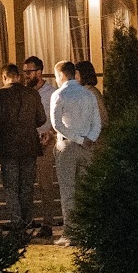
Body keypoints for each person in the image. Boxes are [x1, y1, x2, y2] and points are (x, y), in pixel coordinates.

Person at [0, 63, 48, 238]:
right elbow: (42, 119)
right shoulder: (32, 94)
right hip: (29, 146)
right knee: (27, 185)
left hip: (7, 147)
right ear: (18, 77)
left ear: (4, 77)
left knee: (11, 186)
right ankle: (27, 221)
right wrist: (28, 125)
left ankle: (17, 222)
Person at [48, 60, 104, 245]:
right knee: (86, 189)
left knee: (68, 190)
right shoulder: (88, 94)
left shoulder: (59, 94)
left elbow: (57, 124)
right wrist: (90, 138)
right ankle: (87, 229)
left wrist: (78, 139)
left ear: (62, 75)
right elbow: (97, 121)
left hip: (68, 145)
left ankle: (71, 232)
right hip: (88, 146)